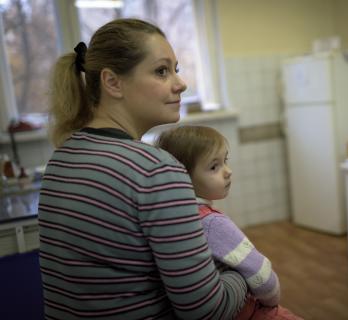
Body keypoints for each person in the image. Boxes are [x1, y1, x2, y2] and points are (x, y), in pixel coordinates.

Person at [39, 18, 248, 319]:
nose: (181, 83)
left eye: (175, 69)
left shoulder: (62, 158)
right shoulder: (156, 171)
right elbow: (206, 311)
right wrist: (243, 273)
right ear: (113, 83)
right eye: (161, 71)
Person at [156, 126, 302, 320]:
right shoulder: (212, 223)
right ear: (184, 177)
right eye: (214, 167)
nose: (228, 172)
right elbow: (261, 276)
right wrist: (272, 300)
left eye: (225, 161)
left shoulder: (175, 217)